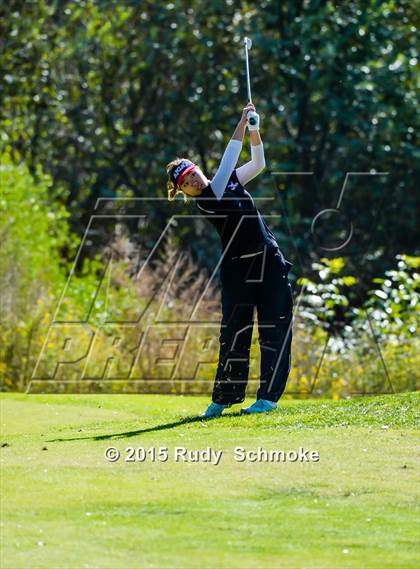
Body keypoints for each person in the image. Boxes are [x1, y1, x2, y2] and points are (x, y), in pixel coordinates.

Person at [166, 103, 293, 417]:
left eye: (192, 174)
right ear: (183, 191)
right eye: (186, 183)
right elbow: (225, 165)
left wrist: (253, 130)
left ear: (197, 168)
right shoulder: (208, 200)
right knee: (235, 332)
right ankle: (223, 398)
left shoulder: (232, 180)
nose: (193, 181)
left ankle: (267, 399)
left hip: (268, 260)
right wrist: (240, 123)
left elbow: (258, 163)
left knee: (275, 326)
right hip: (238, 269)